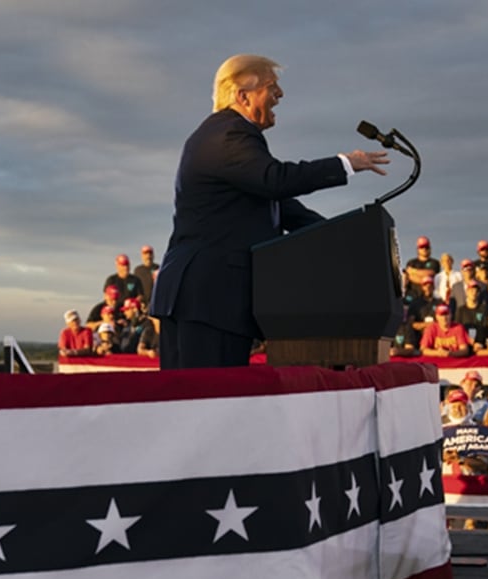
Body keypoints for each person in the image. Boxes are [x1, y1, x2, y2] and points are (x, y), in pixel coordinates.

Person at [150, 54, 388, 369]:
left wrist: (351, 240)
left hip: (208, 301)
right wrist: (345, 163)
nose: (280, 95)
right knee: (203, 406)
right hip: (207, 298)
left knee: (207, 406)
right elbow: (275, 180)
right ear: (242, 96)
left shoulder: (232, 140)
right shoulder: (228, 135)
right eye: (271, 87)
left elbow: (286, 209)